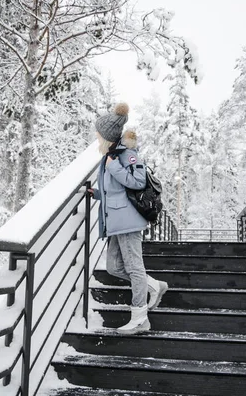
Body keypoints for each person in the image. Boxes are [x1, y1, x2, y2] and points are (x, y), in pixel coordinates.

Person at [89, 102, 169, 335]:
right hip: (116, 222)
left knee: (134, 268)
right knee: (114, 267)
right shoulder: (110, 157)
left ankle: (140, 318)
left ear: (106, 136)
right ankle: (154, 285)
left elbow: (137, 182)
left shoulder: (127, 155)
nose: (96, 137)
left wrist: (114, 168)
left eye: (98, 134)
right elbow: (114, 191)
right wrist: (94, 193)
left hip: (129, 221)